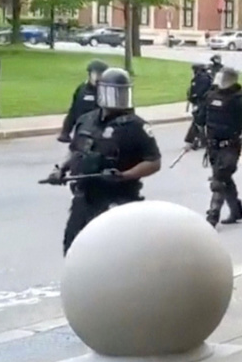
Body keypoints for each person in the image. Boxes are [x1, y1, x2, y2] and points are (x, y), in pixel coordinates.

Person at [49, 68, 161, 254]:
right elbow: (75, 150)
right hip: (84, 198)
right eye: (113, 93)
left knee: (113, 252)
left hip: (118, 198)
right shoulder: (86, 120)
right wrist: (60, 169)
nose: (118, 99)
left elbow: (154, 162)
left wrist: (124, 175)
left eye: (123, 93)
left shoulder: (136, 126)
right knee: (73, 247)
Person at [187, 67, 242, 226]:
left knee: (218, 180)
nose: (216, 80)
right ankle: (236, 210)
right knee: (224, 179)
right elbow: (199, 120)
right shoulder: (211, 95)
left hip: (230, 145)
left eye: (220, 77)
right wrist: (189, 140)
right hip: (212, 145)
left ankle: (212, 217)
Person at [59, 60, 109, 143]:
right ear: (90, 74)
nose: (98, 77)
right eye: (96, 74)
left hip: (99, 135)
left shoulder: (107, 91)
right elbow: (73, 111)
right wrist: (65, 132)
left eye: (101, 74)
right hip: (81, 132)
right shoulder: (82, 89)